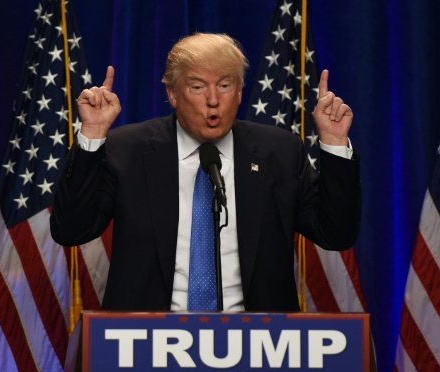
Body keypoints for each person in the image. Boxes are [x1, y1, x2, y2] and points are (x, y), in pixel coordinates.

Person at [50, 33, 360, 312]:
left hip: (257, 346)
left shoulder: (279, 152)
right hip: (148, 345)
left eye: (225, 86)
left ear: (239, 93)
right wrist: (92, 134)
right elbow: (71, 230)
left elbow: (335, 234)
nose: (213, 101)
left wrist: (333, 143)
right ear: (172, 94)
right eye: (197, 87)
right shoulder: (127, 150)